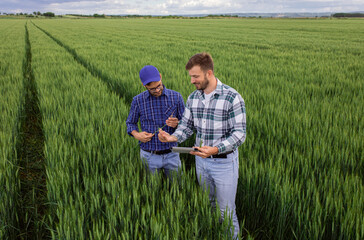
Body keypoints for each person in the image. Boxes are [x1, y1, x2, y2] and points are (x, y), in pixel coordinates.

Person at [158, 53, 246, 238]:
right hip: (201, 162)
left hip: (223, 164)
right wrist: (172, 138)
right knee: (209, 205)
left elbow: (239, 134)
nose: (192, 80)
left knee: (226, 212)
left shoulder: (232, 97)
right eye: (191, 76)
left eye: (195, 76)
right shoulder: (193, 98)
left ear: (209, 73)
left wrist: (215, 149)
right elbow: (187, 126)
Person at [126, 65, 185, 179]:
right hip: (149, 155)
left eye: (159, 86)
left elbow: (187, 123)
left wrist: (177, 123)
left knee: (177, 188)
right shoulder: (138, 100)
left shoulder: (176, 97)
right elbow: (130, 123)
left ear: (161, 77)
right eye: (152, 89)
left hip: (172, 154)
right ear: (144, 85)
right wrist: (137, 135)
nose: (157, 90)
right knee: (151, 190)